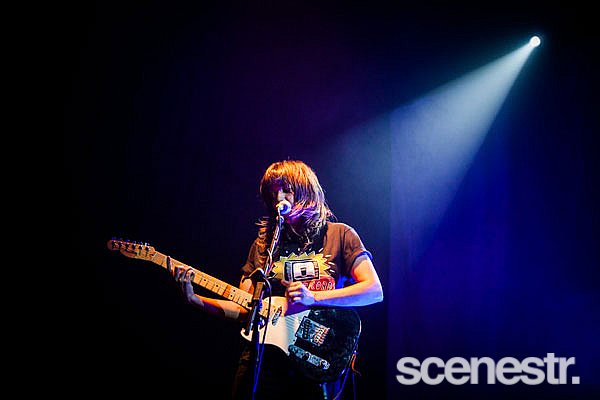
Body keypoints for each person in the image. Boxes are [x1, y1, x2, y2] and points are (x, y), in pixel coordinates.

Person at [168, 160, 383, 399]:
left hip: (318, 355)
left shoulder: (339, 234)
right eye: (272, 192)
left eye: (286, 189)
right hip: (265, 356)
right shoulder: (264, 245)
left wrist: (314, 297)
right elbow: (245, 308)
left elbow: (373, 290)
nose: (278, 197)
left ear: (305, 190)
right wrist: (195, 300)